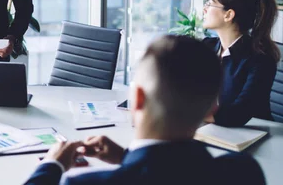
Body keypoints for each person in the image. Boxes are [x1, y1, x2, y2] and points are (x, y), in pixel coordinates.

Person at [25, 35, 266, 185]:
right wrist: (126, 157)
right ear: (213, 106)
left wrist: (51, 165)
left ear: (137, 99)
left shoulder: (83, 183)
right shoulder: (243, 172)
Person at [202, 0, 280, 127]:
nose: (204, 8)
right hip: (215, 129)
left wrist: (187, 112)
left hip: (253, 136)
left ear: (228, 15)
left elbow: (238, 113)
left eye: (210, 3)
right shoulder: (207, 47)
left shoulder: (261, 60)